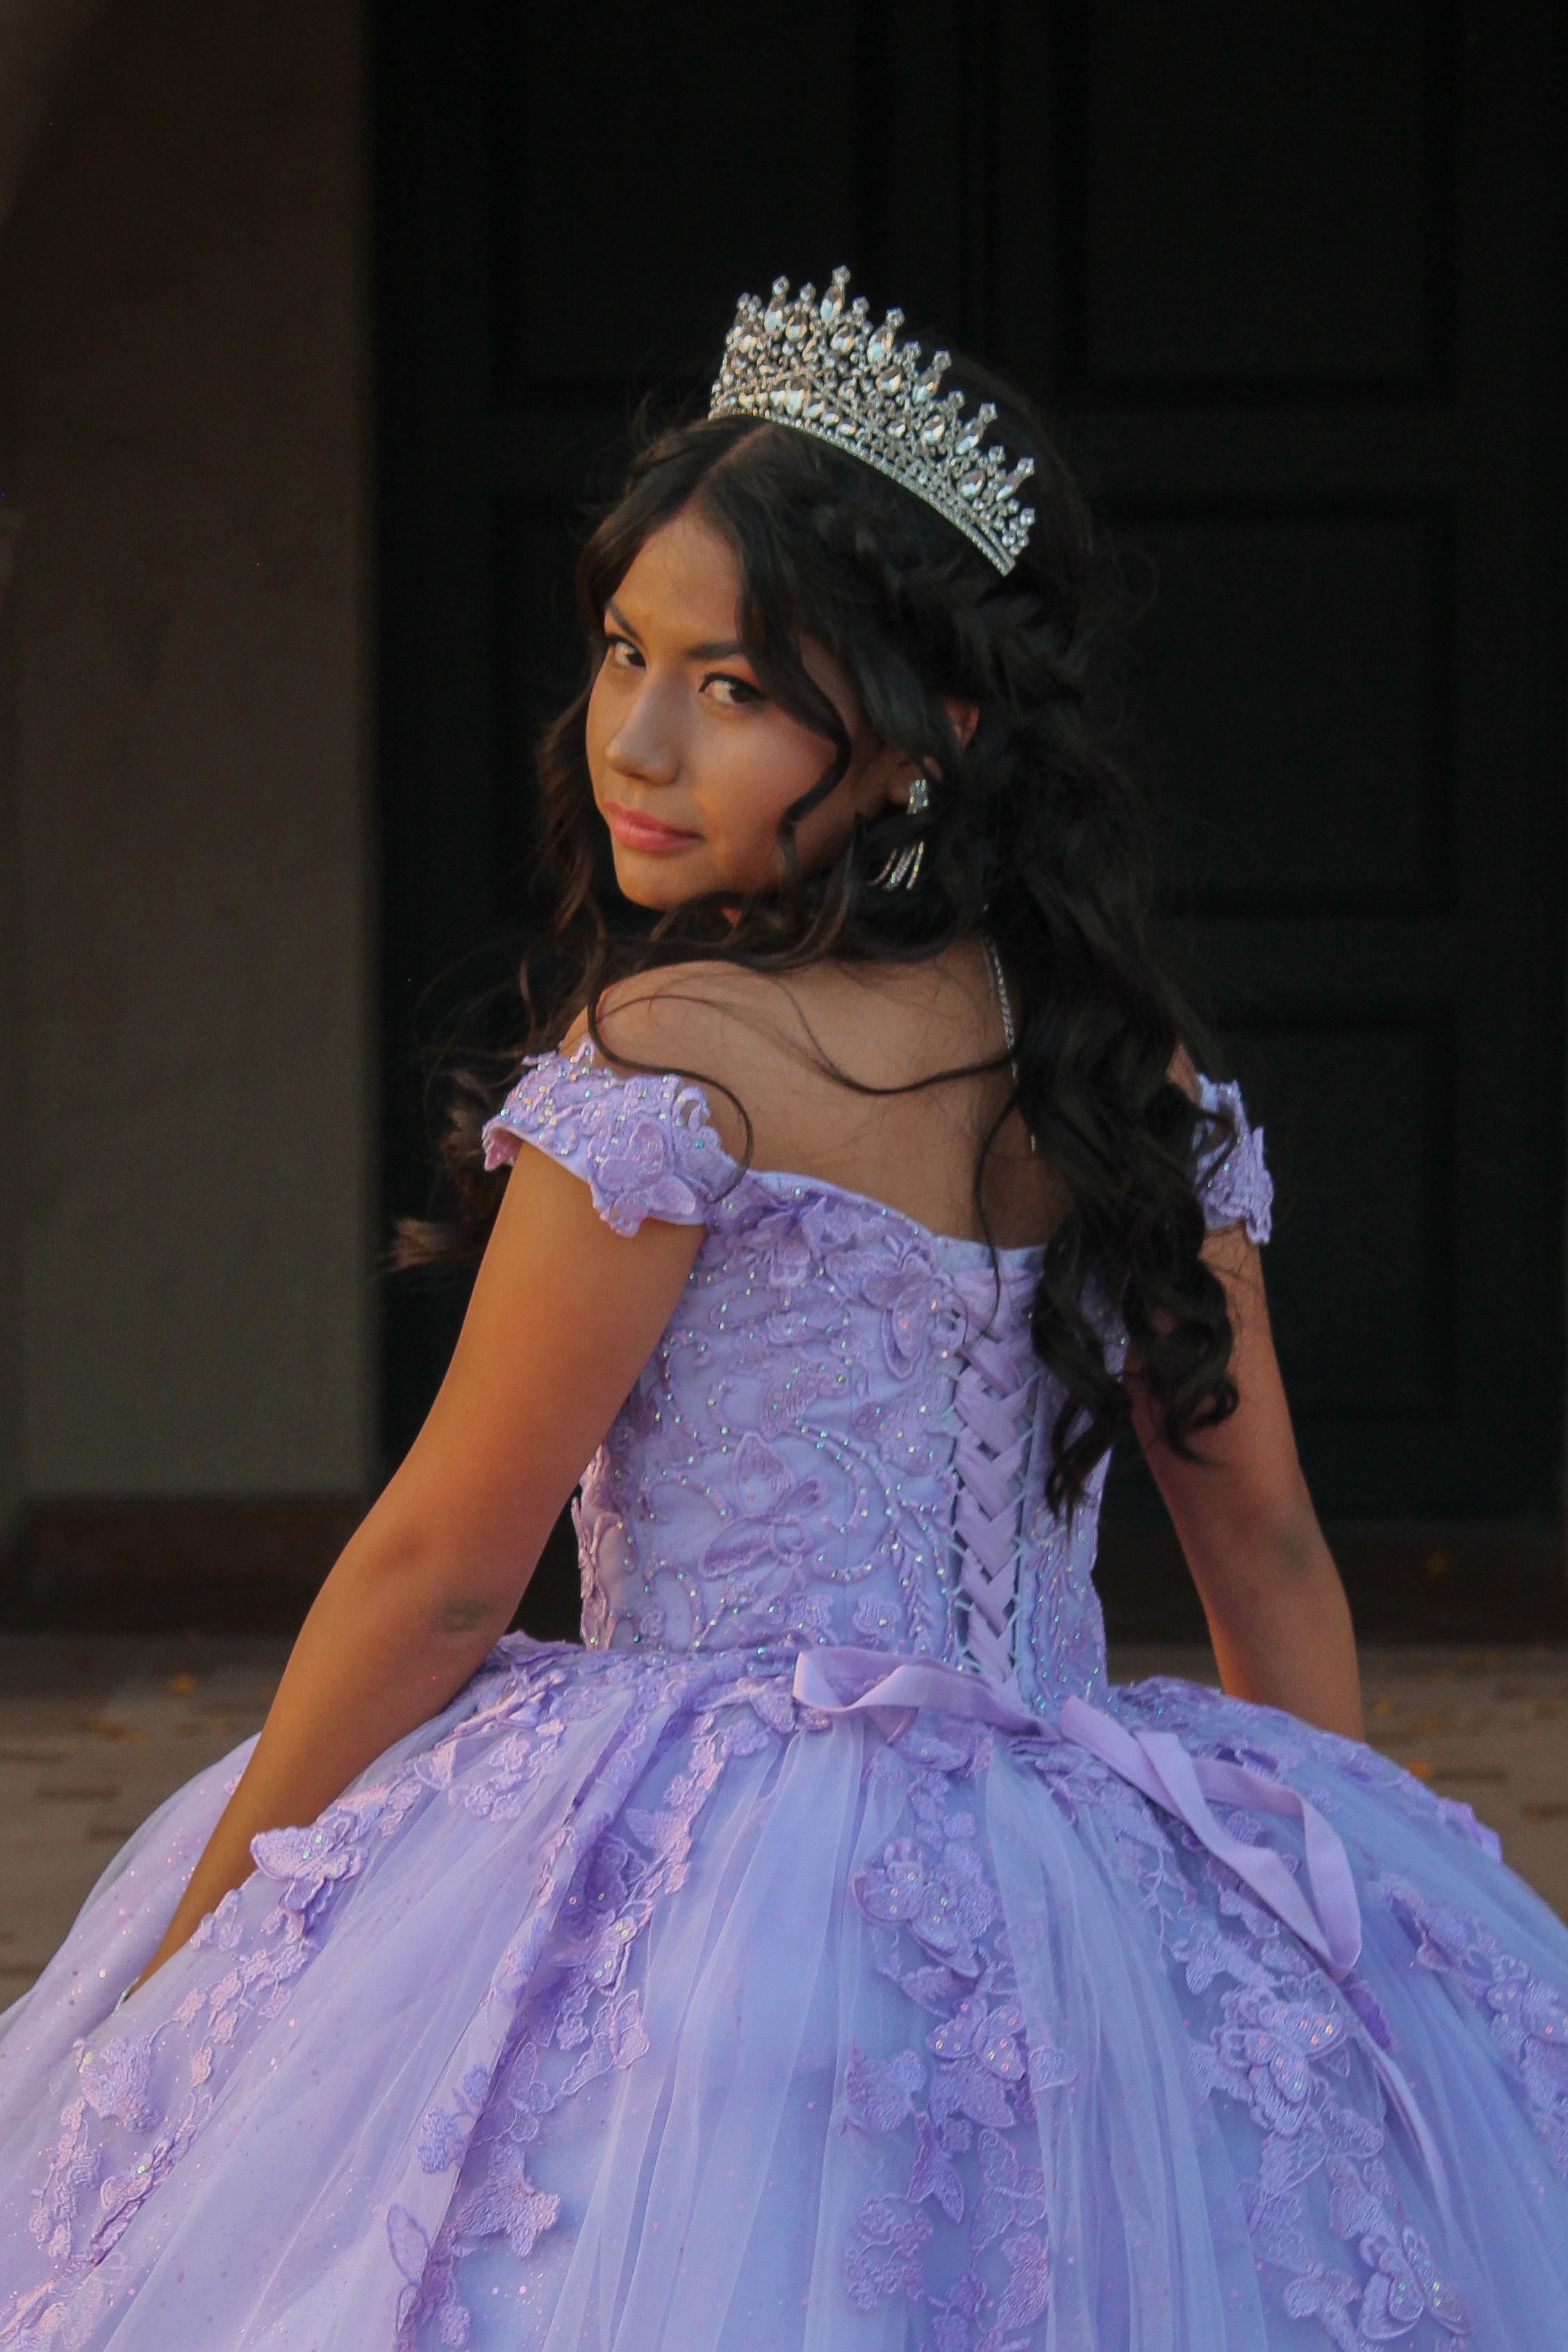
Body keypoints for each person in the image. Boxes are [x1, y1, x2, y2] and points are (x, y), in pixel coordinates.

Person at [1, 268, 1565, 2352]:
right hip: (1072, 1885)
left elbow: (444, 1570)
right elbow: (1266, 1554)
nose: (635, 740)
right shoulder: (1123, 1073)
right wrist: (1326, 1935)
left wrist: (207, 1945)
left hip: (697, 1886)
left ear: (933, 732)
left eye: (731, 685)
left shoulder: (677, 1070)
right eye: (622, 652)